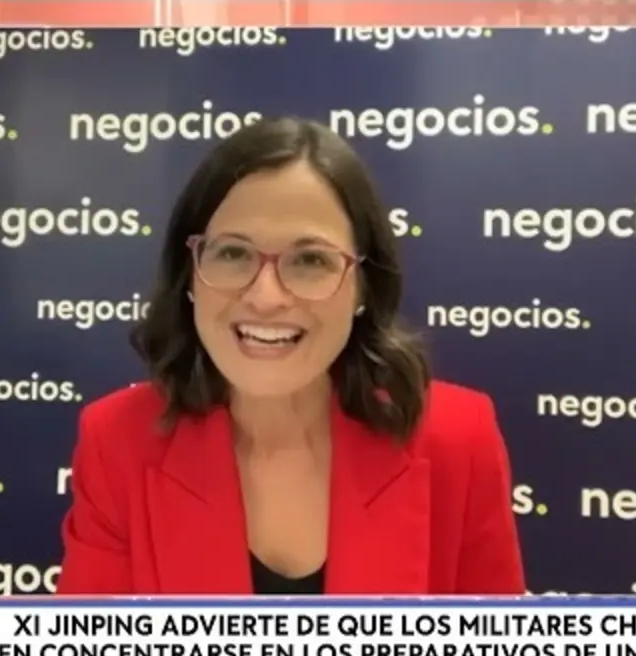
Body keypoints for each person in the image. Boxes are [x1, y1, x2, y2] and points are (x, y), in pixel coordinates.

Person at [57, 117, 524, 595]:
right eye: (233, 253)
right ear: (190, 274)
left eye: (310, 260)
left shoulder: (458, 438)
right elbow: (90, 643)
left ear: (364, 287)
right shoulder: (117, 442)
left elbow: (493, 644)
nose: (265, 298)